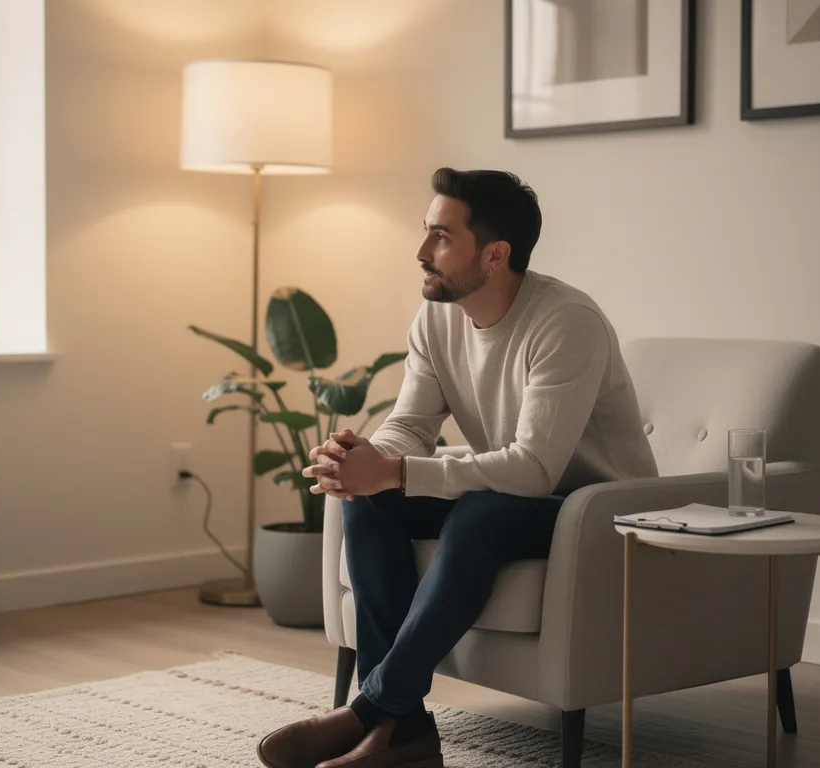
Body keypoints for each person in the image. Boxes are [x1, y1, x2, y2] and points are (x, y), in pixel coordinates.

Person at [256, 168, 659, 768]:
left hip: (600, 511)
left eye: (441, 237)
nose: (421, 252)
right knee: (368, 498)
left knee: (478, 514)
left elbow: (534, 471)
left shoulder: (566, 322)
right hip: (517, 494)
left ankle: (371, 709)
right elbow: (411, 426)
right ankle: (407, 734)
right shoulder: (437, 316)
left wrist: (395, 472)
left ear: (495, 255)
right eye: (426, 233)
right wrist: (364, 458)